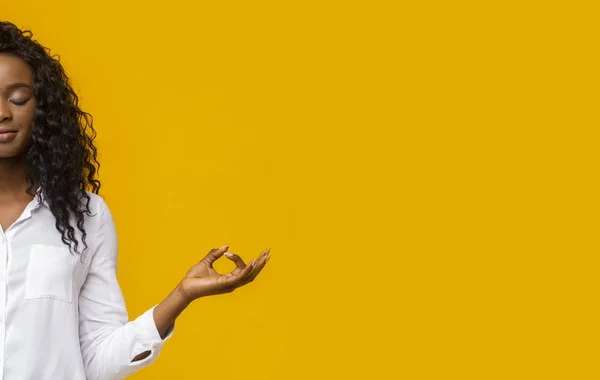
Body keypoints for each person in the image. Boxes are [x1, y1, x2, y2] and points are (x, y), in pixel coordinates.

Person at [0, 21, 271, 380]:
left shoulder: (85, 216)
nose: (2, 112)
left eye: (18, 99)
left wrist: (181, 296)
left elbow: (95, 359)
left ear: (43, 109)